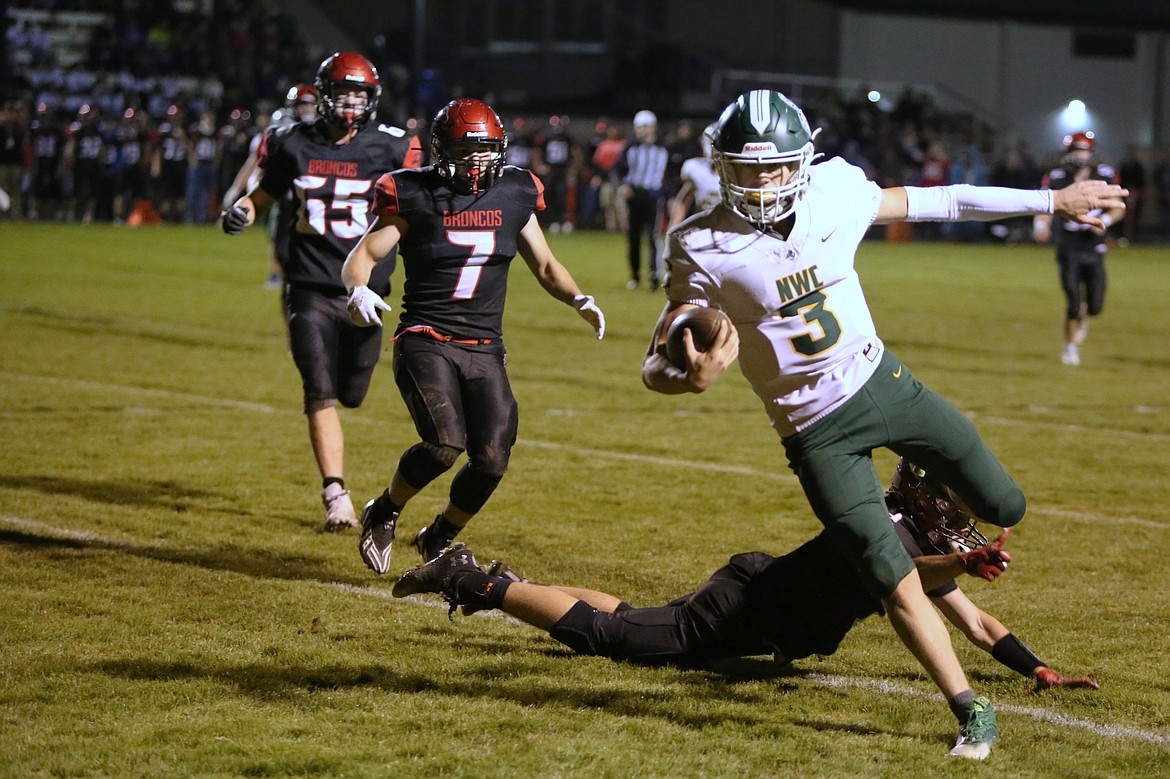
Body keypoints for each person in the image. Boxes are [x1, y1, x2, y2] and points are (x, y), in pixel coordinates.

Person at [640, 90, 1124, 759]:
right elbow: (656, 359)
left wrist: (1053, 201)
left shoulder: (835, 189)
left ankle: (911, 490)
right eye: (747, 169)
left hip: (883, 383)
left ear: (802, 161)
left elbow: (943, 200)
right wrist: (685, 377)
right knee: (886, 568)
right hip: (813, 431)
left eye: (776, 166)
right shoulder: (699, 244)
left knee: (1005, 502)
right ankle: (968, 708)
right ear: (722, 166)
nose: (761, 181)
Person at [391, 459, 1096, 758]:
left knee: (635, 619)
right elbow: (901, 575)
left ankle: (510, 584)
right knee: (616, 638)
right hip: (743, 610)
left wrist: (1039, 669)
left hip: (757, 602)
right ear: (929, 498)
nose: (964, 525)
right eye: (959, 512)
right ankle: (474, 580)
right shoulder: (881, 528)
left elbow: (973, 620)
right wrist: (961, 561)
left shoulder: (912, 535)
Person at [340, 97, 605, 576]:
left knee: (492, 460)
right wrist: (358, 288)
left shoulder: (516, 191)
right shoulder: (411, 192)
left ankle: (439, 534)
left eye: (486, 149)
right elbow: (363, 254)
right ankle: (384, 510)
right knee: (444, 443)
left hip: (485, 345)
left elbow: (544, 263)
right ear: (441, 150)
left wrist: (578, 299)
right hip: (426, 336)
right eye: (466, 150)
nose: (478, 159)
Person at [221, 52, 423, 531]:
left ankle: (338, 481)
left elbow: (420, 204)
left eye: (360, 93)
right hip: (309, 284)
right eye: (343, 92)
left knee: (352, 393)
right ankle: (336, 492)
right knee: (319, 388)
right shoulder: (292, 141)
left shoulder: (394, 146)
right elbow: (262, 194)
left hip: (367, 292)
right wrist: (243, 211)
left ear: (372, 98)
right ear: (324, 94)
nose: (351, 102)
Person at [1033, 132, 1124, 366]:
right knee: (1073, 300)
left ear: (1091, 153)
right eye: (1075, 151)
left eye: (1082, 151)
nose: (1079, 156)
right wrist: (1041, 225)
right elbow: (1045, 206)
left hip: (1094, 247)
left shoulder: (1103, 175)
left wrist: (1106, 222)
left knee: (1095, 306)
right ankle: (1070, 347)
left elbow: (1118, 207)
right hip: (1068, 246)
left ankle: (1083, 314)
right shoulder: (1057, 177)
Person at [223, 84, 320, 289]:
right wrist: (239, 188)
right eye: (302, 104)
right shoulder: (282, 131)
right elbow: (255, 162)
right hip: (283, 191)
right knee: (279, 238)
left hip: (314, 194)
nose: (306, 109)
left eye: (310, 104)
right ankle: (277, 275)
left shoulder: (326, 131)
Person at [615, 110, 668, 290]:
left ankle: (654, 275)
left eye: (644, 127)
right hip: (635, 195)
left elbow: (670, 173)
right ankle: (635, 275)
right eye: (638, 127)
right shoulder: (631, 147)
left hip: (653, 195)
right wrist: (623, 184)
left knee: (653, 236)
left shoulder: (663, 147)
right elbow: (617, 169)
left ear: (653, 127)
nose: (641, 131)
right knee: (633, 237)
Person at [664, 122, 720, 231]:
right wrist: (673, 229)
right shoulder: (696, 169)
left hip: (735, 231)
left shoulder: (742, 172)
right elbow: (682, 201)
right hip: (705, 229)